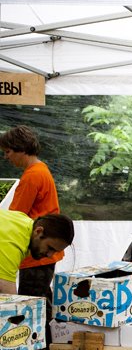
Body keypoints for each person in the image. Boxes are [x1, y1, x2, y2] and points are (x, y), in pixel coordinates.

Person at [1, 125, 63, 300]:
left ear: (21, 149)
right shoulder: (40, 169)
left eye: (7, 152)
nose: (6, 157)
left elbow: (14, 217)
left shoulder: (31, 177)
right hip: (44, 252)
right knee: (42, 300)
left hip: (37, 253)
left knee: (30, 302)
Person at [0, 210, 74, 296]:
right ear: (38, 231)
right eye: (50, 248)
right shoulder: (13, 244)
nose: (50, 255)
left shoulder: (23, 222)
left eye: (55, 252)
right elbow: (7, 295)